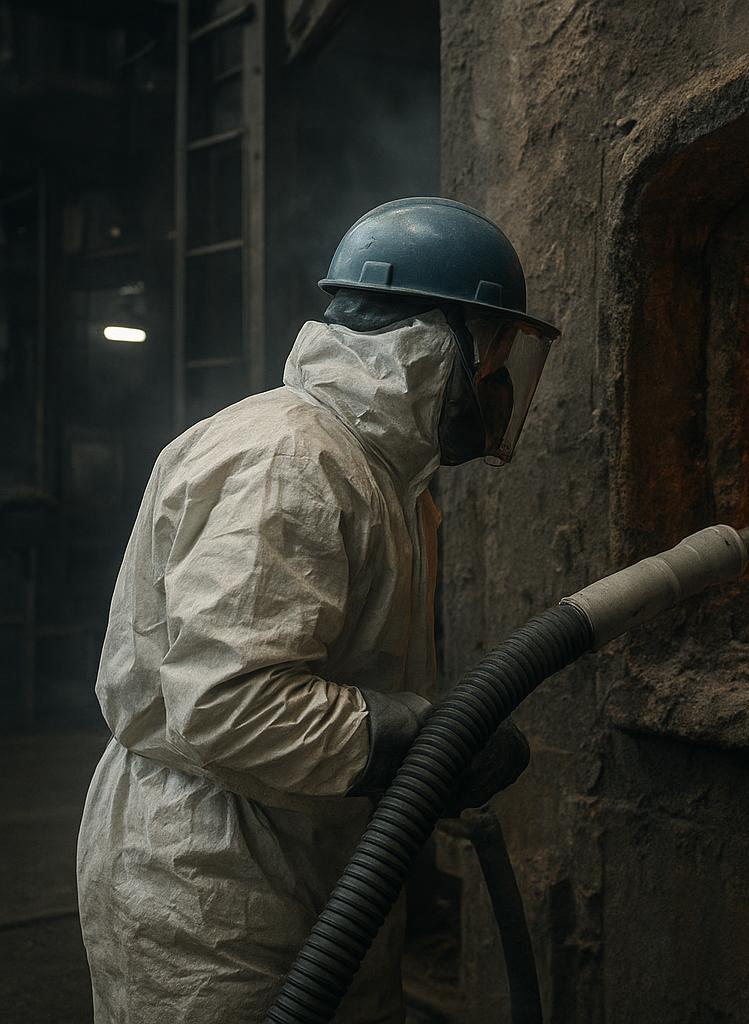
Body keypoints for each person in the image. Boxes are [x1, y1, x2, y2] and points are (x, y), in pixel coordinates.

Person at [76, 197, 559, 1023]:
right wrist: (419, 739)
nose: (496, 383)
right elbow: (230, 706)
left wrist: (415, 745)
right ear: (436, 342)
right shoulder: (288, 459)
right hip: (213, 876)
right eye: (491, 356)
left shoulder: (387, 479)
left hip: (315, 853)